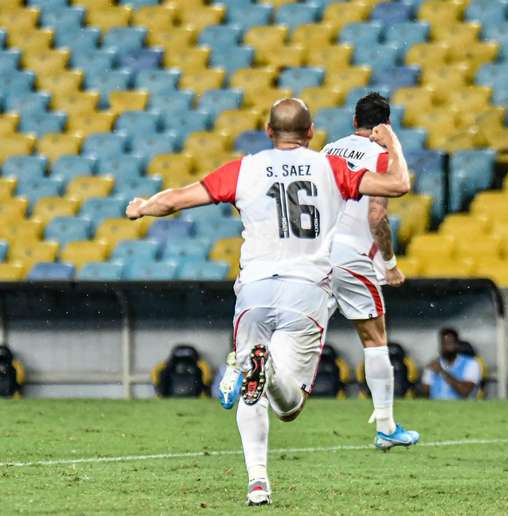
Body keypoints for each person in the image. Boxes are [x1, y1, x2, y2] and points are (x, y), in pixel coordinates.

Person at [125, 98, 410, 505]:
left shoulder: (246, 168)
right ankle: (269, 369)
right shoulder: (330, 167)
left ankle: (257, 482)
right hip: (306, 290)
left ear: (268, 131)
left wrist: (142, 208)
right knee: (288, 405)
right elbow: (397, 186)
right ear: (311, 132)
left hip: (254, 290)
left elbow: (176, 199)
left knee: (249, 391)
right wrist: (393, 144)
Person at [321, 92, 419, 450]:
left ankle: (243, 368)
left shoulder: (328, 150)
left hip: (313, 254)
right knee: (375, 340)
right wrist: (390, 265)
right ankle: (386, 426)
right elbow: (377, 217)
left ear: (353, 122)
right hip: (350, 255)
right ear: (386, 125)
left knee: (297, 335)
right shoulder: (382, 155)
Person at [418, 328, 481, 400]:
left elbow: (465, 391)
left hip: (461, 409)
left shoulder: (471, 364)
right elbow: (425, 393)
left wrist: (442, 372)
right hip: (436, 408)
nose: (446, 347)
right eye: (443, 344)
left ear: (457, 345)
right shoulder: (435, 364)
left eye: (449, 343)